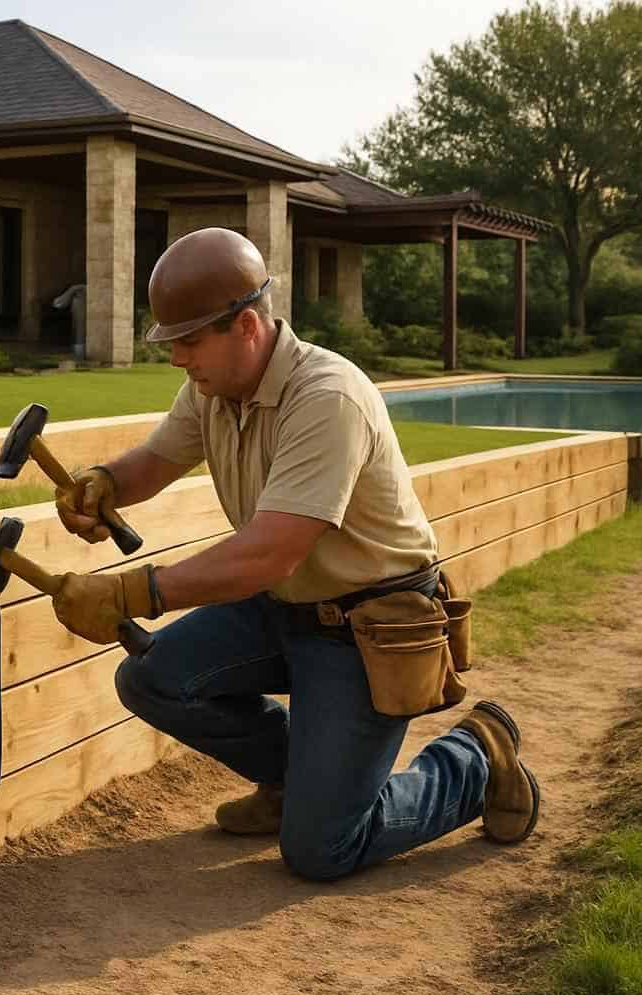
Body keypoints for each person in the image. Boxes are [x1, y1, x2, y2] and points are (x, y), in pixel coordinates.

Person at [50, 227, 539, 881]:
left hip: (368, 627)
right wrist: (106, 482)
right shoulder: (214, 388)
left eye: (189, 340)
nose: (177, 359)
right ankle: (295, 785)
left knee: (321, 850)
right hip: (284, 609)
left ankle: (475, 758)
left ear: (246, 325)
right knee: (152, 677)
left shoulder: (325, 398)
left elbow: (269, 554)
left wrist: (128, 594)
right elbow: (158, 460)